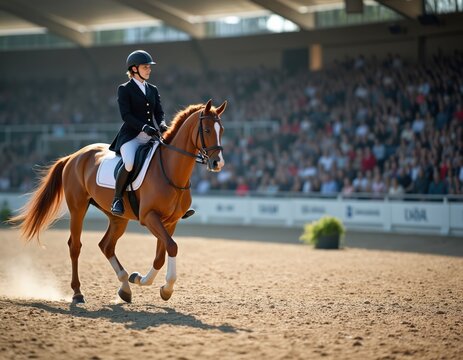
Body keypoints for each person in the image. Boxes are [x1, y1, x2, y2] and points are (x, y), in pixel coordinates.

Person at [109, 50, 168, 216]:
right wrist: (143, 127)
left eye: (149, 67)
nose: (149, 70)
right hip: (131, 136)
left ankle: (173, 199)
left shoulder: (153, 89)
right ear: (134, 69)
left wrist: (162, 124)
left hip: (152, 135)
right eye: (145, 67)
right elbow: (126, 116)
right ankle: (117, 199)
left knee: (168, 158)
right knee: (129, 163)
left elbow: (159, 112)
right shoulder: (124, 89)